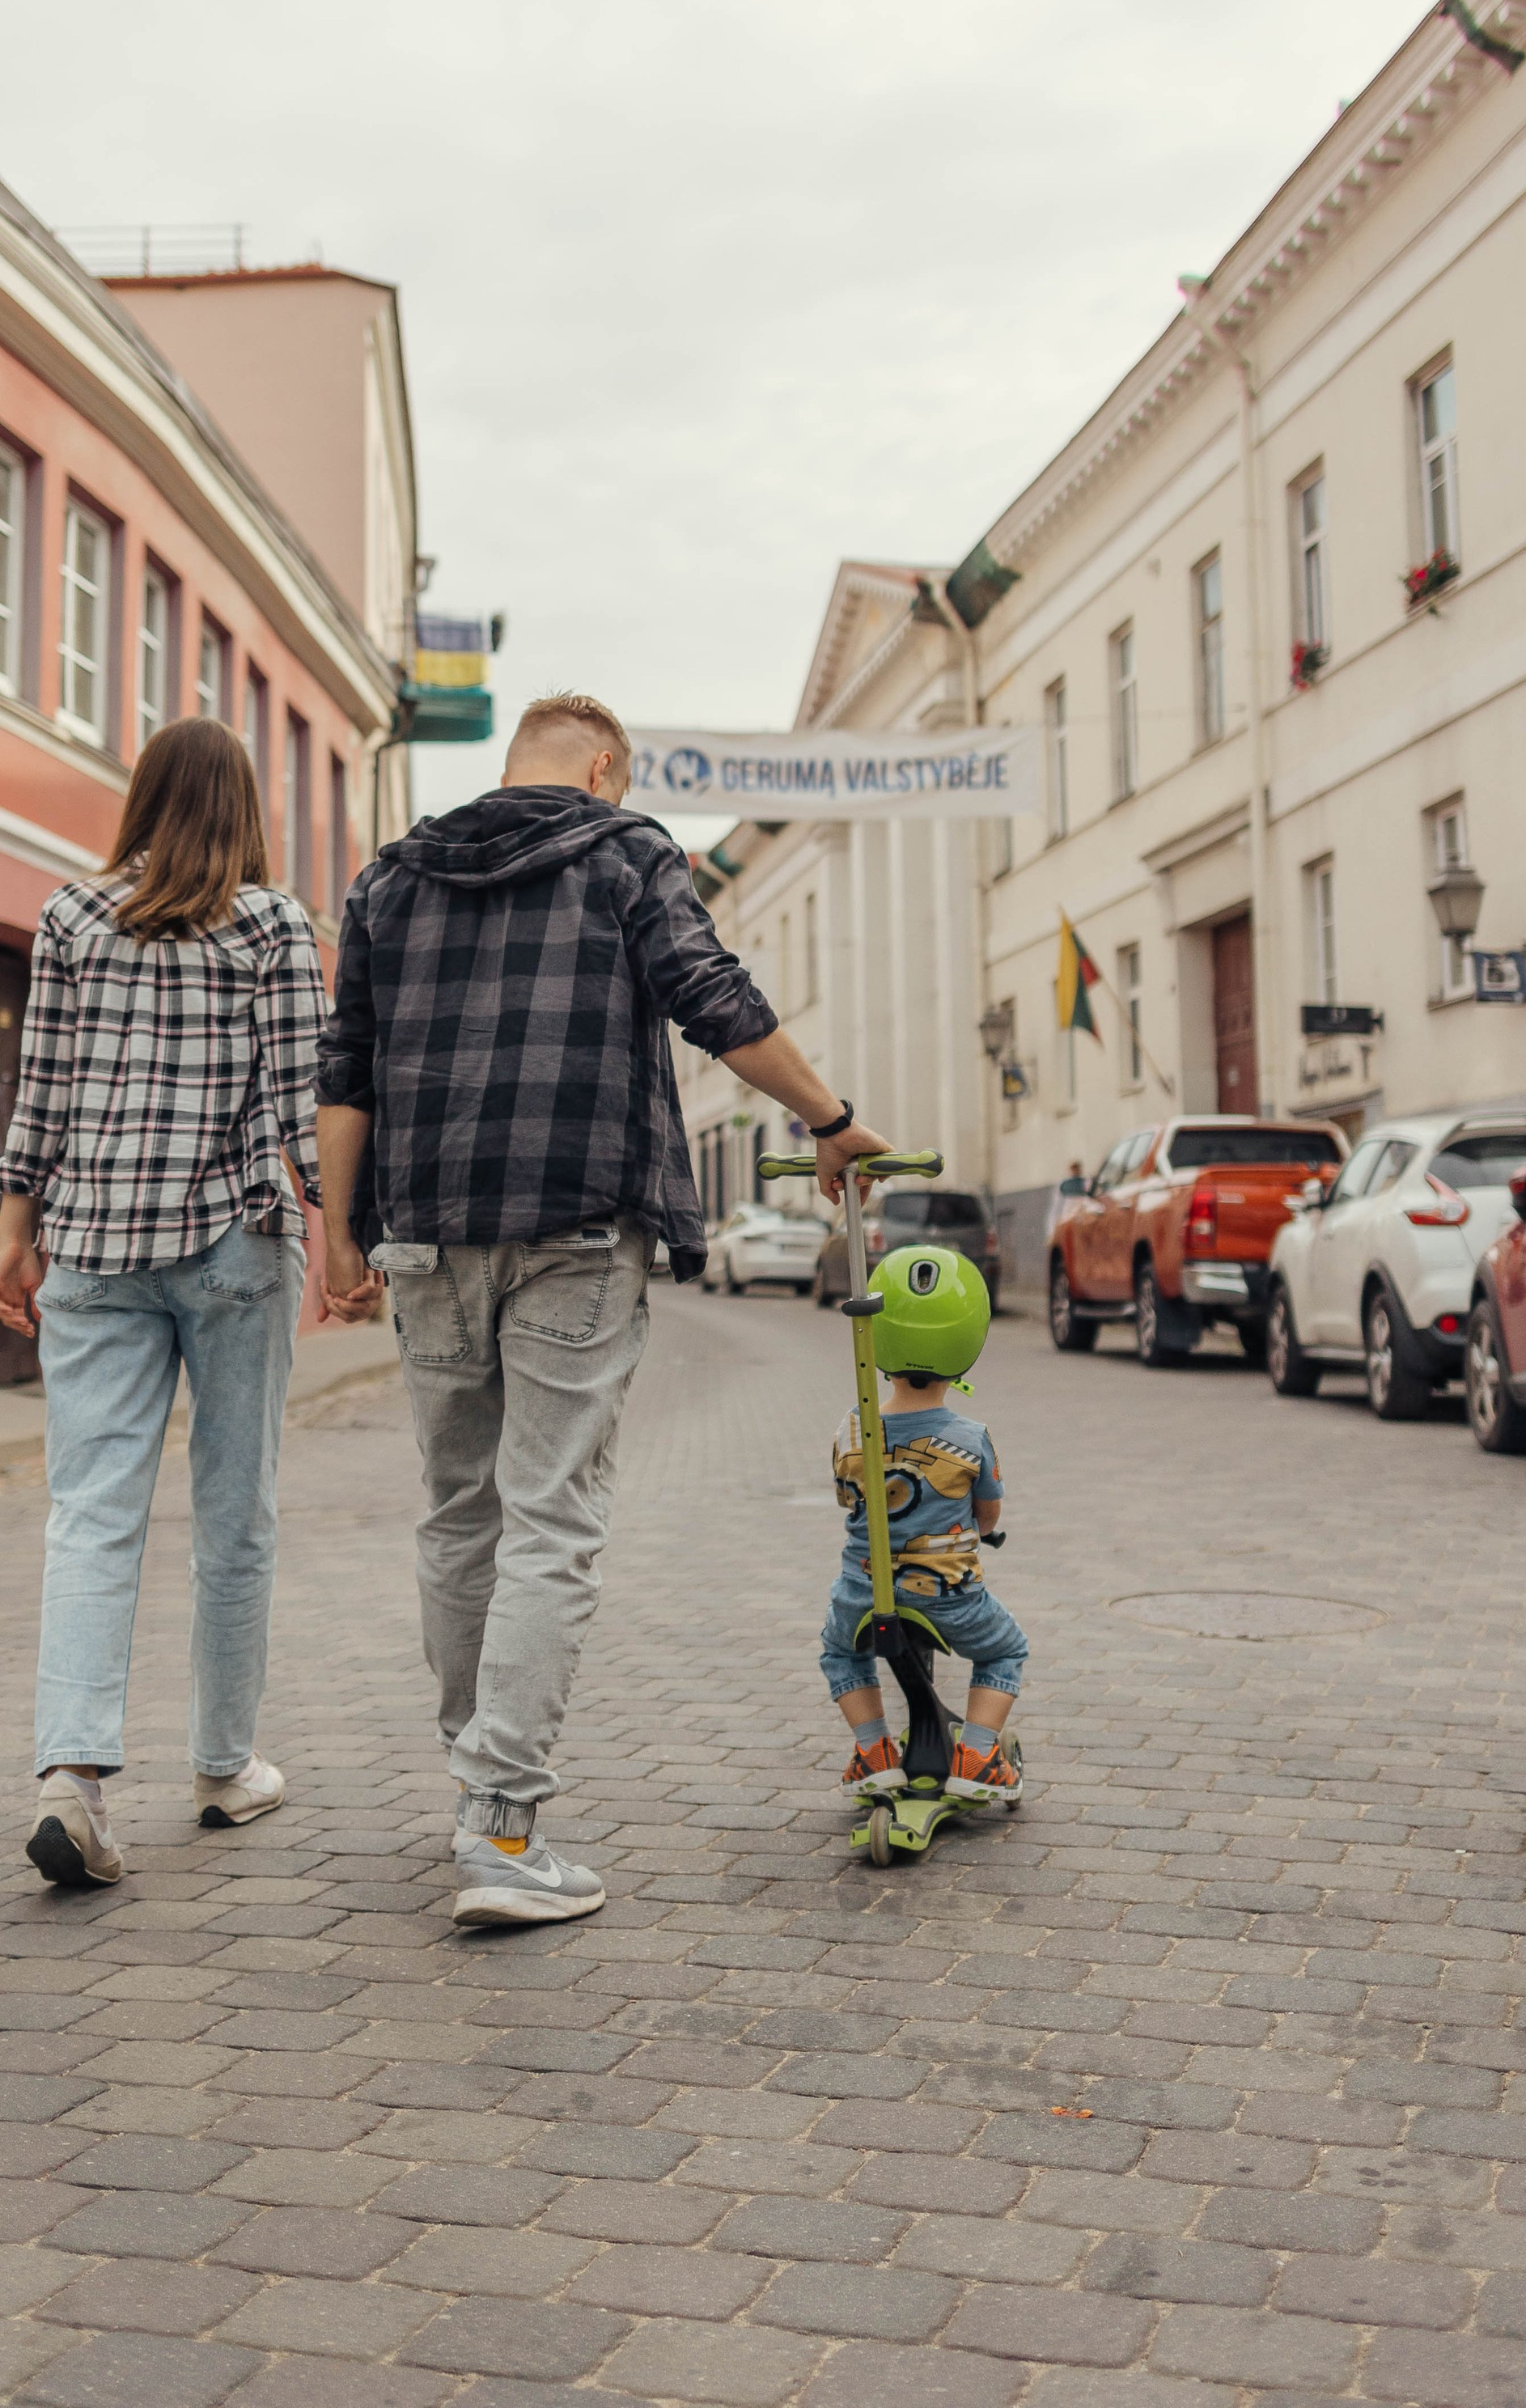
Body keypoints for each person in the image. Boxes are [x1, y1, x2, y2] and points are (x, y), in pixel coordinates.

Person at [314, 689, 888, 1927]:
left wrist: (335, 1236)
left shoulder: (389, 879)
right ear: (608, 767)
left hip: (423, 1230)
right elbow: (713, 997)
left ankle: (481, 1775)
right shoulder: (624, 850)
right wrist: (833, 1122)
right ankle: (503, 1824)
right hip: (577, 1222)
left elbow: (346, 1069)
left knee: (460, 1515)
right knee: (550, 1520)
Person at [0, 716, 324, 1891]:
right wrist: (349, 1236)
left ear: (140, 801)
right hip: (234, 1241)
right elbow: (300, 1102)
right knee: (237, 1512)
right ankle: (225, 1770)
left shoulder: (73, 916)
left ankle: (70, 1783)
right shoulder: (275, 924)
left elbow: (44, 1087)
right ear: (246, 808)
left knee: (90, 1512)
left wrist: (13, 1228)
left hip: (89, 1242)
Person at [823, 1245, 1028, 1804]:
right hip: (949, 1596)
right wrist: (978, 1526)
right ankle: (980, 1754)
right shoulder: (971, 1437)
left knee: (839, 1651)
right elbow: (989, 1514)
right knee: (1005, 1650)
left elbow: (847, 1498)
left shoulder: (851, 1428)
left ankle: (874, 1751)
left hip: (863, 1595)